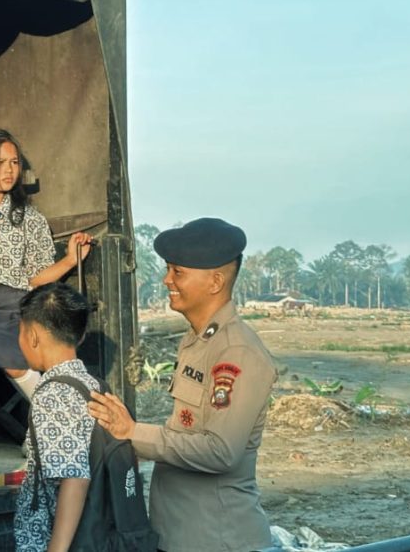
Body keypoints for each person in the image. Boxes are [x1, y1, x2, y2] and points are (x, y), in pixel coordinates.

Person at [86, 218, 277, 552]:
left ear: (216, 281)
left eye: (178, 272)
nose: (166, 280)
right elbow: (187, 430)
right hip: (181, 535)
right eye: (168, 270)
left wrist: (133, 433)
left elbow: (220, 452)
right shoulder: (198, 341)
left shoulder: (237, 351)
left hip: (217, 540)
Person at [0, 129, 92, 456]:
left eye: (14, 162)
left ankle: (40, 424)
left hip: (15, 306)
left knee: (8, 352)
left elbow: (38, 276)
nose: (9, 169)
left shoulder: (30, 218)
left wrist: (70, 260)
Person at [13, 283, 98, 552]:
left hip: (50, 538)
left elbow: (74, 478)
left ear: (33, 336)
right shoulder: (90, 384)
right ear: (82, 336)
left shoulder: (53, 394)